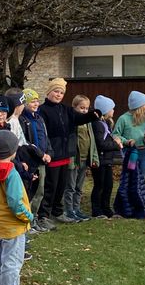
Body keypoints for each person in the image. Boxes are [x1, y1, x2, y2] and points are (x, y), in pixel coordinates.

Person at [37, 78, 99, 229]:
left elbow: (79, 118)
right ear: (49, 92)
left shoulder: (66, 109)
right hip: (52, 154)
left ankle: (58, 212)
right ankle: (43, 215)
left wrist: (93, 115)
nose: (58, 95)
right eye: (56, 91)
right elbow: (43, 132)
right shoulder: (43, 110)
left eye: (61, 93)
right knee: (50, 186)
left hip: (66, 154)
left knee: (61, 186)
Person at [0, 130, 35, 285]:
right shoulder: (11, 173)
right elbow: (15, 201)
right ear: (13, 152)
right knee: (12, 261)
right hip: (14, 225)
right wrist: (27, 216)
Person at [19, 89, 52, 225]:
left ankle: (34, 218)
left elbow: (45, 137)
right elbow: (26, 142)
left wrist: (49, 153)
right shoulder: (22, 119)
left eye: (37, 100)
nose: (36, 103)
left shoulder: (39, 119)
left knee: (40, 190)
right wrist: (40, 154)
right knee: (29, 191)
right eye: (32, 101)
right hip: (30, 160)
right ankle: (28, 220)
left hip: (42, 160)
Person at [89, 95, 123, 219]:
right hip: (100, 159)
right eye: (112, 108)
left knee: (108, 185)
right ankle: (97, 210)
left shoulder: (105, 123)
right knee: (100, 185)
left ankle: (106, 208)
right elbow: (101, 144)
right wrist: (116, 145)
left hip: (107, 159)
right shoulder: (98, 124)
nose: (113, 111)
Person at [62, 94, 94, 222]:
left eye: (86, 108)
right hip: (73, 159)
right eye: (81, 108)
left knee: (79, 187)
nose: (84, 111)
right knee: (70, 186)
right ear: (74, 107)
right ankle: (69, 210)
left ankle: (77, 209)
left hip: (84, 159)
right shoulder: (71, 121)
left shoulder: (87, 123)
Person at [112, 91, 145, 189]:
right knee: (130, 175)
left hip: (144, 152)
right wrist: (126, 141)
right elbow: (115, 135)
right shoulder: (123, 119)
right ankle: (128, 198)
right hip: (130, 153)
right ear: (139, 105)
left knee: (142, 177)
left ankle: (141, 198)